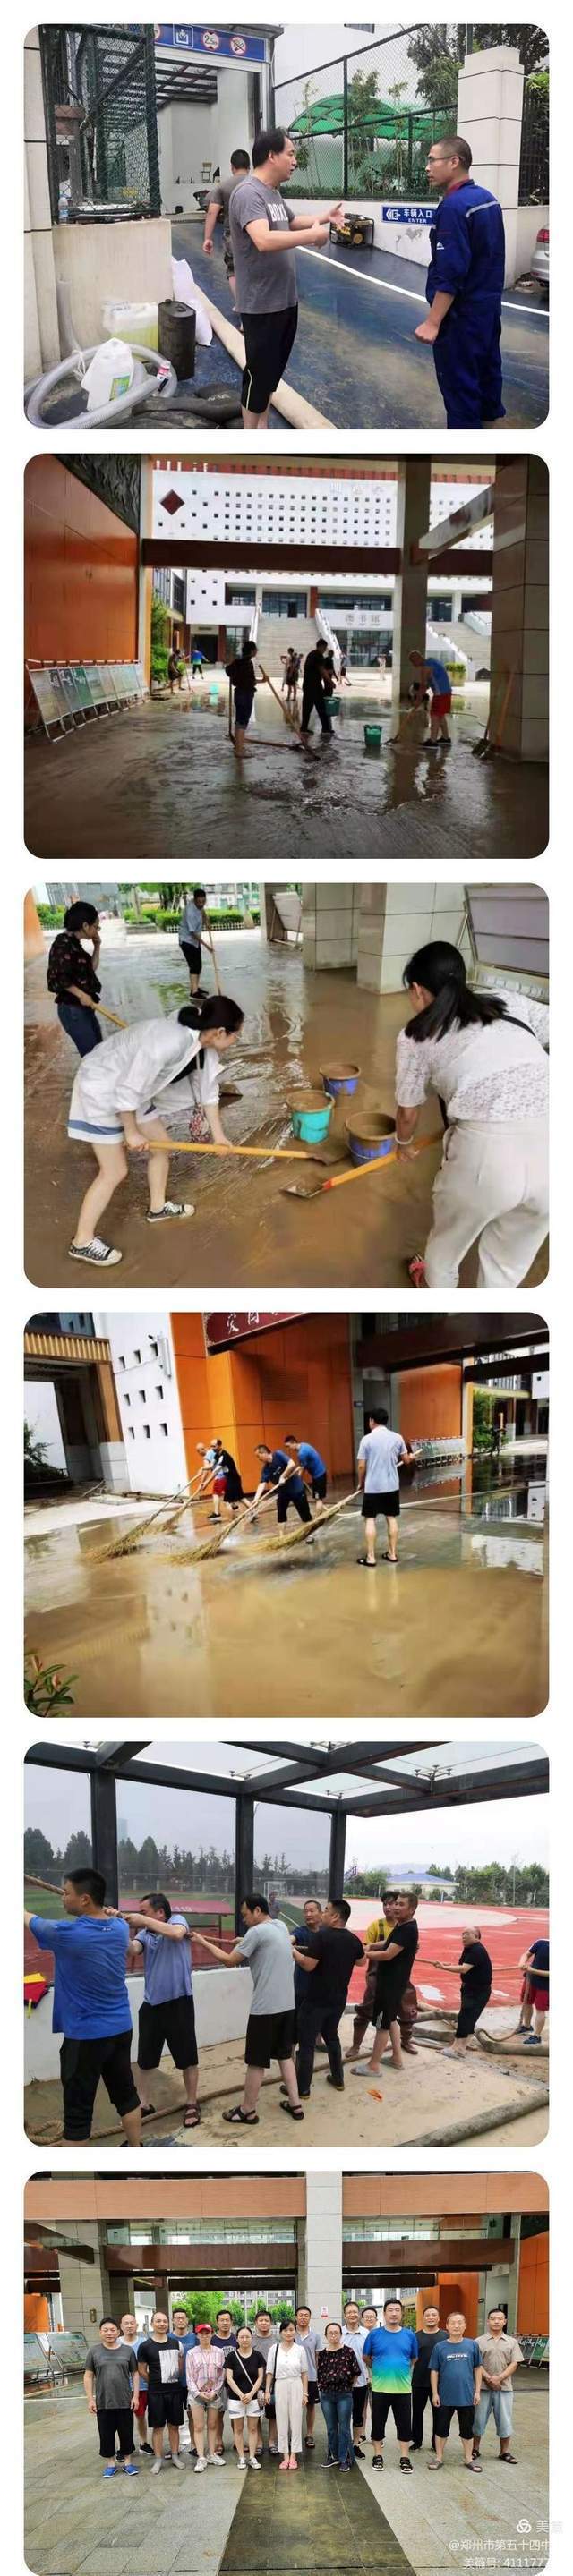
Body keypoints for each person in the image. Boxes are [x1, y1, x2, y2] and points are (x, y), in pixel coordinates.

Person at [395, 941, 549, 1289]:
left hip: (488, 1156)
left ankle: (439, 1298)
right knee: (506, 1266)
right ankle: (482, 1327)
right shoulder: (507, 1000)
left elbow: (407, 1111)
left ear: (418, 990)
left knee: (444, 1251)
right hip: (555, 1145)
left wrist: (403, 1145)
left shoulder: (415, 1035)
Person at [66, 994, 244, 1266]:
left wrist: (219, 1137)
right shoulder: (169, 1041)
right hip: (102, 1086)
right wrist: (131, 1131)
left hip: (133, 1092)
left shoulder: (203, 1045)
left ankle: (158, 1208)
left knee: (161, 1147)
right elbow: (127, 1087)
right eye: (236, 1036)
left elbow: (209, 1093)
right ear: (221, 1031)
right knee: (115, 1171)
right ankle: (82, 1242)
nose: (235, 1042)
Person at [229, 128, 341, 429]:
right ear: (271, 155)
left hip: (284, 300)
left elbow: (291, 222)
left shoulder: (273, 193)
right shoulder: (249, 193)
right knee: (257, 375)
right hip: (262, 304)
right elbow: (263, 239)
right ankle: (250, 437)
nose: (294, 161)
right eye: (290, 154)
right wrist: (312, 236)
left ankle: (262, 425)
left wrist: (324, 217)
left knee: (269, 375)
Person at [24, 1867, 141, 2146]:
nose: (63, 1898)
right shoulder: (119, 1927)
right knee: (126, 2096)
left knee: (77, 2115)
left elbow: (28, 1919)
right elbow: (114, 1926)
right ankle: (137, 2152)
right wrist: (108, 1914)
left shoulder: (65, 1933)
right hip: (120, 2029)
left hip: (86, 2038)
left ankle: (76, 2180)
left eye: (67, 1893)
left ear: (86, 1899)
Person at [415, 135, 506, 429]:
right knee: (487, 378)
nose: (427, 167)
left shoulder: (454, 208)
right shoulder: (487, 199)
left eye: (432, 160)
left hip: (462, 319)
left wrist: (433, 322)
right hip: (488, 312)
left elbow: (451, 272)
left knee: (461, 392)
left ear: (454, 162)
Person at [193, 1893, 303, 2126]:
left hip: (265, 2009)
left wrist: (203, 1942)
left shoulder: (256, 1933)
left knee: (256, 2061)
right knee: (285, 2056)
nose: (243, 1919)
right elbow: (265, 1944)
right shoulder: (280, 1926)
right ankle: (296, 2105)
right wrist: (245, 1942)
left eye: (245, 1914)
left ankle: (247, 2110)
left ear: (257, 1911)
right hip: (287, 2006)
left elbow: (230, 1961)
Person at [122, 1892, 201, 2130]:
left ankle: (192, 2103)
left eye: (144, 1911)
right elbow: (133, 1949)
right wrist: (116, 1927)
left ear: (160, 1912)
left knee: (187, 2059)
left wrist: (143, 1920)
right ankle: (144, 2104)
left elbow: (177, 1934)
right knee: (145, 2060)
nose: (141, 1915)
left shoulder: (178, 1921)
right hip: (152, 2006)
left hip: (179, 2003)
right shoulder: (146, 1934)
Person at [293, 1897, 364, 2098]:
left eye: (325, 1910)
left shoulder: (322, 1937)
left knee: (306, 2043)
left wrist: (293, 1953)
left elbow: (308, 1965)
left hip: (316, 2000)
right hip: (338, 2000)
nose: (322, 1914)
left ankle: (302, 2089)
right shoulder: (353, 1939)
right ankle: (338, 2079)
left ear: (335, 1916)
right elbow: (361, 1962)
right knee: (331, 2037)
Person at [345, 1894, 418, 2062]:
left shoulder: (407, 1929)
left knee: (381, 2025)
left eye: (400, 1904)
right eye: (393, 1904)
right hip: (382, 1981)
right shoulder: (402, 1926)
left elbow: (387, 1954)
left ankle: (373, 2066)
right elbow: (387, 1943)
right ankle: (397, 2058)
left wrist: (363, 1955)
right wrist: (370, 1946)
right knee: (390, 2020)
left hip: (389, 1985)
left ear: (412, 1909)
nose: (394, 1907)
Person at [363, 2299, 417, 2471]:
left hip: (403, 2389)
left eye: (397, 2310)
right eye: (390, 2310)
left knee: (404, 2424)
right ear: (384, 2313)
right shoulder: (374, 2335)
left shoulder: (409, 2335)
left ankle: (404, 2457)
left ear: (401, 2313)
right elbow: (366, 2357)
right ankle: (377, 2455)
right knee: (378, 2423)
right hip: (380, 2388)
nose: (394, 2313)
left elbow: (413, 2358)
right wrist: (378, 2370)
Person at [356, 1408, 415, 1567]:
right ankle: (392, 1554)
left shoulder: (366, 1440)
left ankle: (371, 1557)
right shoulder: (397, 1438)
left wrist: (360, 1483)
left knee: (370, 1519)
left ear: (372, 1421)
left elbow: (362, 1466)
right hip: (391, 1486)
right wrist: (411, 1457)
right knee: (391, 1518)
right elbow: (406, 1461)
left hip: (373, 1487)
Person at [83, 2317, 140, 2479]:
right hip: (103, 2401)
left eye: (112, 2330)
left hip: (124, 2401)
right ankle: (111, 2464)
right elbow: (88, 2376)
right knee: (106, 2434)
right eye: (105, 2330)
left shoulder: (127, 2351)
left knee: (126, 2433)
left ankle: (128, 2463)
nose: (109, 2333)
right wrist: (90, 2399)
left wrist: (135, 2396)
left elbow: (135, 2374)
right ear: (100, 2332)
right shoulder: (94, 2352)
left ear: (118, 2332)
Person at [132, 2312, 186, 2475]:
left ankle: (175, 2456)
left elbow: (180, 2366)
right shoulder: (145, 2346)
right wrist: (155, 2381)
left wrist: (171, 2378)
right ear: (153, 2323)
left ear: (168, 2324)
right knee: (157, 2427)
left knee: (174, 2425)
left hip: (175, 2391)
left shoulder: (176, 2343)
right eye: (158, 2321)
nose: (162, 2324)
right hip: (155, 2392)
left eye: (164, 2321)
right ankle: (158, 2459)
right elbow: (141, 2370)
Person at [47, 899, 103, 1057]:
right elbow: (60, 977)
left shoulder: (75, 943)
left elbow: (90, 970)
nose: (97, 930)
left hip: (83, 1007)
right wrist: (81, 995)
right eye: (96, 926)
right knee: (92, 1058)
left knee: (99, 1052)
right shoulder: (62, 945)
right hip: (73, 1011)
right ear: (85, 926)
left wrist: (97, 947)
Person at [428, 2312, 483, 2471]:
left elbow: (478, 2368)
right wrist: (435, 2393)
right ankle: (438, 2458)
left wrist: (477, 2391)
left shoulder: (472, 2345)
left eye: (460, 2323)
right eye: (453, 2323)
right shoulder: (440, 2347)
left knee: (467, 2429)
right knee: (441, 2428)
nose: (457, 2326)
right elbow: (434, 2372)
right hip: (445, 2396)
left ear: (465, 2325)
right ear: (447, 2326)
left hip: (467, 2396)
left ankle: (468, 2458)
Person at [432, 1925, 492, 2058]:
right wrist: (447, 1965)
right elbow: (463, 1966)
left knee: (465, 2018)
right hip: (474, 1989)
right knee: (469, 2018)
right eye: (463, 1934)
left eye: (467, 1934)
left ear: (476, 1937)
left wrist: (443, 1968)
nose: (463, 1936)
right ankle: (462, 2048)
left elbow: (464, 1969)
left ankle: (455, 2048)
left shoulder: (476, 1950)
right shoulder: (469, 1949)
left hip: (476, 1991)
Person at [473, 2309, 522, 2464]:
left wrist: (499, 2378)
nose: (496, 2321)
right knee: (478, 2420)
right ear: (487, 2322)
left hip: (505, 2388)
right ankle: (475, 2449)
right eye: (493, 2319)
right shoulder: (478, 2342)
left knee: (505, 2420)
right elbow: (476, 2364)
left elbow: (514, 2364)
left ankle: (504, 2452)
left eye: (500, 2319)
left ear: (505, 2321)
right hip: (483, 2389)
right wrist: (488, 2378)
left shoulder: (512, 2342)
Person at [203, 148, 251, 306]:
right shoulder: (257, 184)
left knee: (233, 271)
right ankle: (255, 312)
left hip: (233, 235)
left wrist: (208, 238)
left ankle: (242, 308)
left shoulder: (223, 187)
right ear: (249, 167)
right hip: (257, 234)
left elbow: (212, 212)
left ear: (232, 167)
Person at [316, 2324, 361, 2470]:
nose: (333, 2335)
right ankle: (333, 2456)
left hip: (344, 2395)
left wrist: (348, 2387)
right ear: (326, 2336)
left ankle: (344, 2458)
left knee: (344, 2427)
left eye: (336, 2333)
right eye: (330, 2333)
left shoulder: (348, 2352)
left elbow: (355, 2372)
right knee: (331, 2428)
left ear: (341, 2334)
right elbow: (320, 2374)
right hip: (327, 2395)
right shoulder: (322, 2354)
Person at [265, 2319, 308, 2469]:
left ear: (295, 2331)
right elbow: (269, 2372)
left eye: (291, 2330)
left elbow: (304, 2373)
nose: (289, 2333)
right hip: (280, 2384)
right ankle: (285, 2455)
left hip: (296, 2384)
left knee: (296, 2420)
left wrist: (305, 2393)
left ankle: (294, 2455)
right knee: (281, 2420)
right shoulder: (274, 2349)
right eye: (285, 2330)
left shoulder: (300, 2350)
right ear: (281, 2332)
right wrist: (267, 2391)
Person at [185, 2323, 227, 2470]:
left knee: (212, 2425)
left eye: (207, 2333)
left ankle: (212, 2453)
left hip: (214, 2394)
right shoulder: (191, 2353)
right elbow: (189, 2377)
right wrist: (198, 2392)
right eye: (201, 2333)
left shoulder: (219, 2352)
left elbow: (222, 2375)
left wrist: (215, 2391)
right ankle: (201, 2457)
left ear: (211, 2334)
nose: (204, 2336)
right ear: (197, 2335)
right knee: (198, 2426)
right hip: (196, 2395)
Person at [250, 1441, 312, 1529]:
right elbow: (262, 1483)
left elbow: (291, 1464)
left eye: (258, 1456)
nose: (258, 1459)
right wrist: (256, 1499)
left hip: (296, 1489)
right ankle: (281, 1537)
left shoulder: (278, 1455)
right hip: (283, 1493)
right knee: (281, 1516)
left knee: (305, 1515)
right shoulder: (266, 1469)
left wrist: (283, 1476)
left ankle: (310, 1535)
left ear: (263, 1453)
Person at [226, 2327, 264, 2467]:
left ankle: (252, 2457)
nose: (245, 2340)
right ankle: (242, 2457)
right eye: (241, 2337)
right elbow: (229, 2378)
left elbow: (260, 2377)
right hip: (236, 2399)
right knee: (238, 2429)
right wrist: (242, 2395)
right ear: (237, 2339)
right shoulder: (231, 2357)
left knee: (253, 2429)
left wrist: (251, 2394)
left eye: (247, 2337)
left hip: (253, 2398)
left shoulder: (258, 2356)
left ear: (251, 2338)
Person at [410, 2307, 447, 2453]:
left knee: (439, 2413)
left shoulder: (445, 2336)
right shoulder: (415, 2336)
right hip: (419, 2380)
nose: (430, 2317)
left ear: (438, 2318)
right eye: (427, 2315)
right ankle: (416, 2441)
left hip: (440, 2383)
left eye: (434, 2315)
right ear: (423, 2318)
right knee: (417, 2413)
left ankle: (435, 2442)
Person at [117, 2312, 152, 2454]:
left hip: (143, 2387)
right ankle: (122, 2447)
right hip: (122, 2389)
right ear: (121, 2326)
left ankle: (144, 2443)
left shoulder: (144, 2342)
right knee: (122, 2419)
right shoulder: (116, 2342)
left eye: (132, 2323)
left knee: (140, 2416)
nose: (129, 2326)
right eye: (126, 2323)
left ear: (136, 2325)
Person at [341, 2303, 371, 2457]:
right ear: (344, 2315)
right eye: (349, 2312)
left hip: (361, 2383)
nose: (352, 2314)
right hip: (342, 2384)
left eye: (355, 2312)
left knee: (358, 2415)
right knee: (342, 2415)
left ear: (359, 2315)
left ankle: (355, 2444)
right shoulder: (340, 2333)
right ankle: (343, 2445)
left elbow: (371, 2356)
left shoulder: (366, 2333)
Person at [291, 1900, 323, 2040]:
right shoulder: (301, 1932)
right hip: (302, 1987)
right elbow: (290, 1939)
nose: (308, 1914)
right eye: (305, 1911)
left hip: (320, 1986)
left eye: (312, 1911)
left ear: (321, 1913)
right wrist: (287, 1943)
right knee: (296, 2023)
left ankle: (319, 2041)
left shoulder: (326, 1933)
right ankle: (290, 2053)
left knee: (320, 2019)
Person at [408, 650, 452, 746]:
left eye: (412, 661)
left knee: (435, 716)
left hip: (440, 694)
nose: (413, 664)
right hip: (446, 692)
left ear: (417, 659)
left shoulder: (425, 668)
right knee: (440, 716)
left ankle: (433, 741)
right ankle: (445, 738)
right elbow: (431, 680)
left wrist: (417, 701)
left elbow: (423, 687)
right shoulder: (432, 661)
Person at [295, 2305, 323, 2451]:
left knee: (311, 2407)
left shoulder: (316, 2336)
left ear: (310, 2317)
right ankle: (294, 2435)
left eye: (306, 2315)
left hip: (311, 2377)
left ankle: (309, 2434)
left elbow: (318, 2358)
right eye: (301, 2315)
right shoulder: (290, 2334)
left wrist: (319, 2376)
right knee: (293, 2407)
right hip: (293, 2378)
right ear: (296, 2317)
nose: (303, 2317)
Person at [171, 2308, 198, 2456]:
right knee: (173, 2418)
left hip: (191, 2384)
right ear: (173, 2320)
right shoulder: (168, 2337)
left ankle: (194, 2445)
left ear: (187, 2320)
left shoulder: (195, 2338)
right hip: (173, 2384)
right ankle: (175, 2447)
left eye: (183, 2318)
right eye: (177, 2318)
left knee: (192, 2415)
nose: (180, 2320)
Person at [226, 639, 258, 761]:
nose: (257, 651)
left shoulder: (237, 662)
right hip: (246, 695)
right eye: (255, 649)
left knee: (239, 721)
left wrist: (234, 675)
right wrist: (263, 681)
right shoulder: (248, 663)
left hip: (238, 693)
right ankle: (239, 751)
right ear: (251, 651)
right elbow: (251, 681)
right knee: (243, 723)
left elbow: (228, 670)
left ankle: (237, 746)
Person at [252, 2310, 278, 2453]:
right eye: (261, 2320)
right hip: (255, 2385)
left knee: (273, 2415)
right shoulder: (251, 2340)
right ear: (256, 2323)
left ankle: (273, 2442)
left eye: (266, 2320)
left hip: (274, 2385)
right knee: (256, 2415)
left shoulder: (277, 2340)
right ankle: (259, 2443)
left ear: (271, 2322)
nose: (264, 2323)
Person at [212, 2310, 237, 2455]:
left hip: (235, 2383)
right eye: (222, 2320)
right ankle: (218, 2443)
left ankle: (237, 2440)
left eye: (227, 2320)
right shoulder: (213, 2340)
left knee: (236, 2414)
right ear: (217, 2322)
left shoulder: (236, 2339)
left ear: (231, 2322)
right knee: (218, 2415)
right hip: (218, 2383)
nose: (225, 2323)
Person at [517, 1936, 549, 2044]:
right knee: (526, 2002)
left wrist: (533, 1970)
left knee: (540, 2009)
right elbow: (526, 1954)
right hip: (531, 1980)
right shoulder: (541, 1942)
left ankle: (537, 2036)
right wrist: (522, 1963)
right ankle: (526, 2026)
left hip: (546, 1985)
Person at [301, 640, 333, 740]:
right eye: (324, 648)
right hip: (315, 686)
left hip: (307, 685)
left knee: (307, 707)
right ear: (321, 646)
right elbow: (322, 671)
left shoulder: (311, 654)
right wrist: (330, 682)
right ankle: (326, 729)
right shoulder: (319, 657)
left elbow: (312, 669)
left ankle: (304, 728)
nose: (324, 650)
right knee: (321, 707)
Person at [284, 1435, 328, 1508]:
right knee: (318, 1498)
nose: (289, 1449)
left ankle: (318, 1518)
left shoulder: (301, 1453)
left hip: (319, 1476)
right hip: (319, 1474)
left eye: (288, 1446)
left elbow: (302, 1469)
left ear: (293, 1442)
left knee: (318, 1499)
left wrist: (297, 1480)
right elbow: (301, 1465)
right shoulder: (304, 1445)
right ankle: (321, 1515)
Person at [178, 888, 208, 995]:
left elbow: (202, 910)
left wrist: (206, 919)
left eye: (203, 901)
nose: (201, 904)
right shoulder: (190, 911)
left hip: (195, 941)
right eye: (199, 902)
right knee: (194, 966)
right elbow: (192, 933)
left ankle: (195, 987)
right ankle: (194, 992)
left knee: (198, 966)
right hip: (187, 941)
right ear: (194, 900)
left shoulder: (198, 904)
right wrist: (206, 946)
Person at [210, 1436, 244, 1518]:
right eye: (211, 1446)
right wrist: (203, 1468)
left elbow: (216, 1470)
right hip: (229, 1479)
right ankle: (234, 1506)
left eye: (214, 1446)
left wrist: (205, 1482)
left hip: (234, 1479)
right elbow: (211, 1465)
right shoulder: (217, 1455)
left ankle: (252, 1512)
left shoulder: (224, 1456)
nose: (212, 1448)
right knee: (233, 1497)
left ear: (219, 1446)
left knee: (240, 1498)